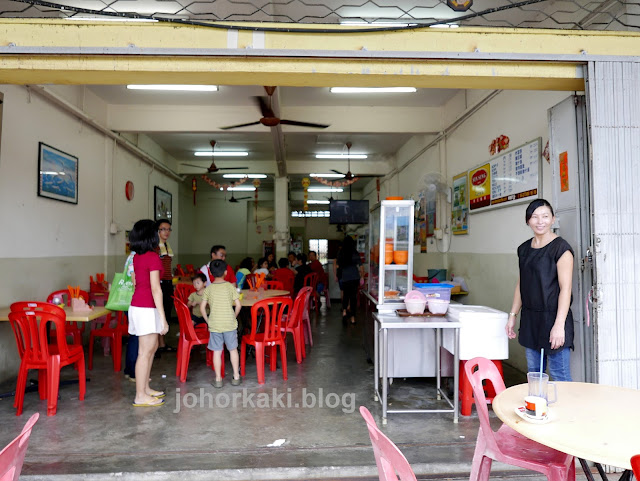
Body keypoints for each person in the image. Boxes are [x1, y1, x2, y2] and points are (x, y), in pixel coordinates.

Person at [506, 198, 574, 382]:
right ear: (528, 220)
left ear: (553, 219)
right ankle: (538, 410)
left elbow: (565, 289)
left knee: (560, 376)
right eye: (534, 217)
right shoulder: (523, 249)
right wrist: (513, 315)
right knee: (535, 376)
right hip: (531, 320)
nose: (540, 221)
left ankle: (566, 411)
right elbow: (522, 284)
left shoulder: (561, 249)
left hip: (554, 318)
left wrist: (559, 326)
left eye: (545, 216)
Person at [127, 219, 169, 407]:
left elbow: (136, 282)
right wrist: (163, 318)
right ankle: (140, 395)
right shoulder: (152, 257)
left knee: (150, 350)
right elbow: (155, 289)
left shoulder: (136, 257)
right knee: (145, 352)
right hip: (146, 308)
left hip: (138, 306)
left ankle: (145, 389)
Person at [200, 259, 242, 388]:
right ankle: (236, 377)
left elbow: (202, 308)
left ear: (211, 274)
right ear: (225, 272)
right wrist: (233, 317)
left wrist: (208, 321)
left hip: (215, 325)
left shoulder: (209, 288)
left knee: (217, 352)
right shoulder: (230, 286)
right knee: (233, 350)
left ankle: (218, 379)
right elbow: (238, 305)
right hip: (229, 324)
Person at [156, 218, 175, 353]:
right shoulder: (155, 247)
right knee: (159, 315)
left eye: (168, 229)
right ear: (157, 231)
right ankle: (156, 345)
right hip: (159, 284)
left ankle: (162, 343)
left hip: (168, 283)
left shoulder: (167, 246)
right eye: (163, 229)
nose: (166, 232)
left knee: (166, 314)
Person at [336, 236, 364, 325]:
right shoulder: (355, 252)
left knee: (345, 296)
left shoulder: (341, 252)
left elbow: (338, 266)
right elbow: (361, 266)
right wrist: (362, 276)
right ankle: (352, 318)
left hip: (345, 277)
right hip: (354, 277)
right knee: (353, 298)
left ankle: (344, 312)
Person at [123, 251, 138, 382]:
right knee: (136, 338)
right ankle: (133, 371)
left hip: (129, 302)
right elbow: (135, 281)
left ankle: (129, 370)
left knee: (133, 336)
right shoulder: (136, 257)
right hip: (134, 302)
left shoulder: (131, 256)